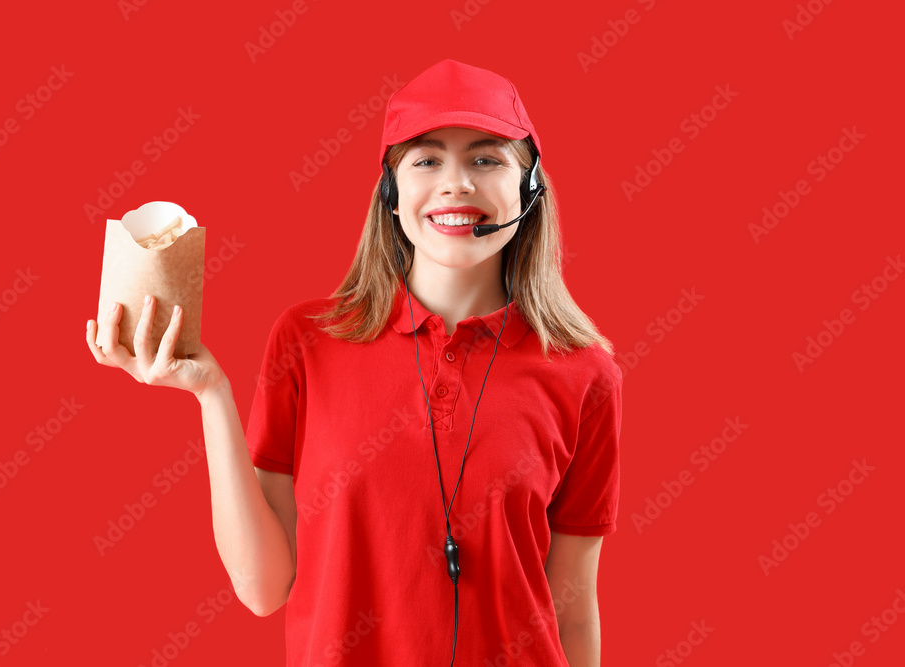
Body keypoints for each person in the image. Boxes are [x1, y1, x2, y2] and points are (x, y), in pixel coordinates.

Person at [86, 58, 622, 667]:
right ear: (391, 194)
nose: (456, 184)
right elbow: (263, 590)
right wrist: (211, 394)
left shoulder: (585, 373)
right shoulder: (308, 341)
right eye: (426, 160)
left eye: (486, 158)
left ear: (529, 190)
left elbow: (573, 610)